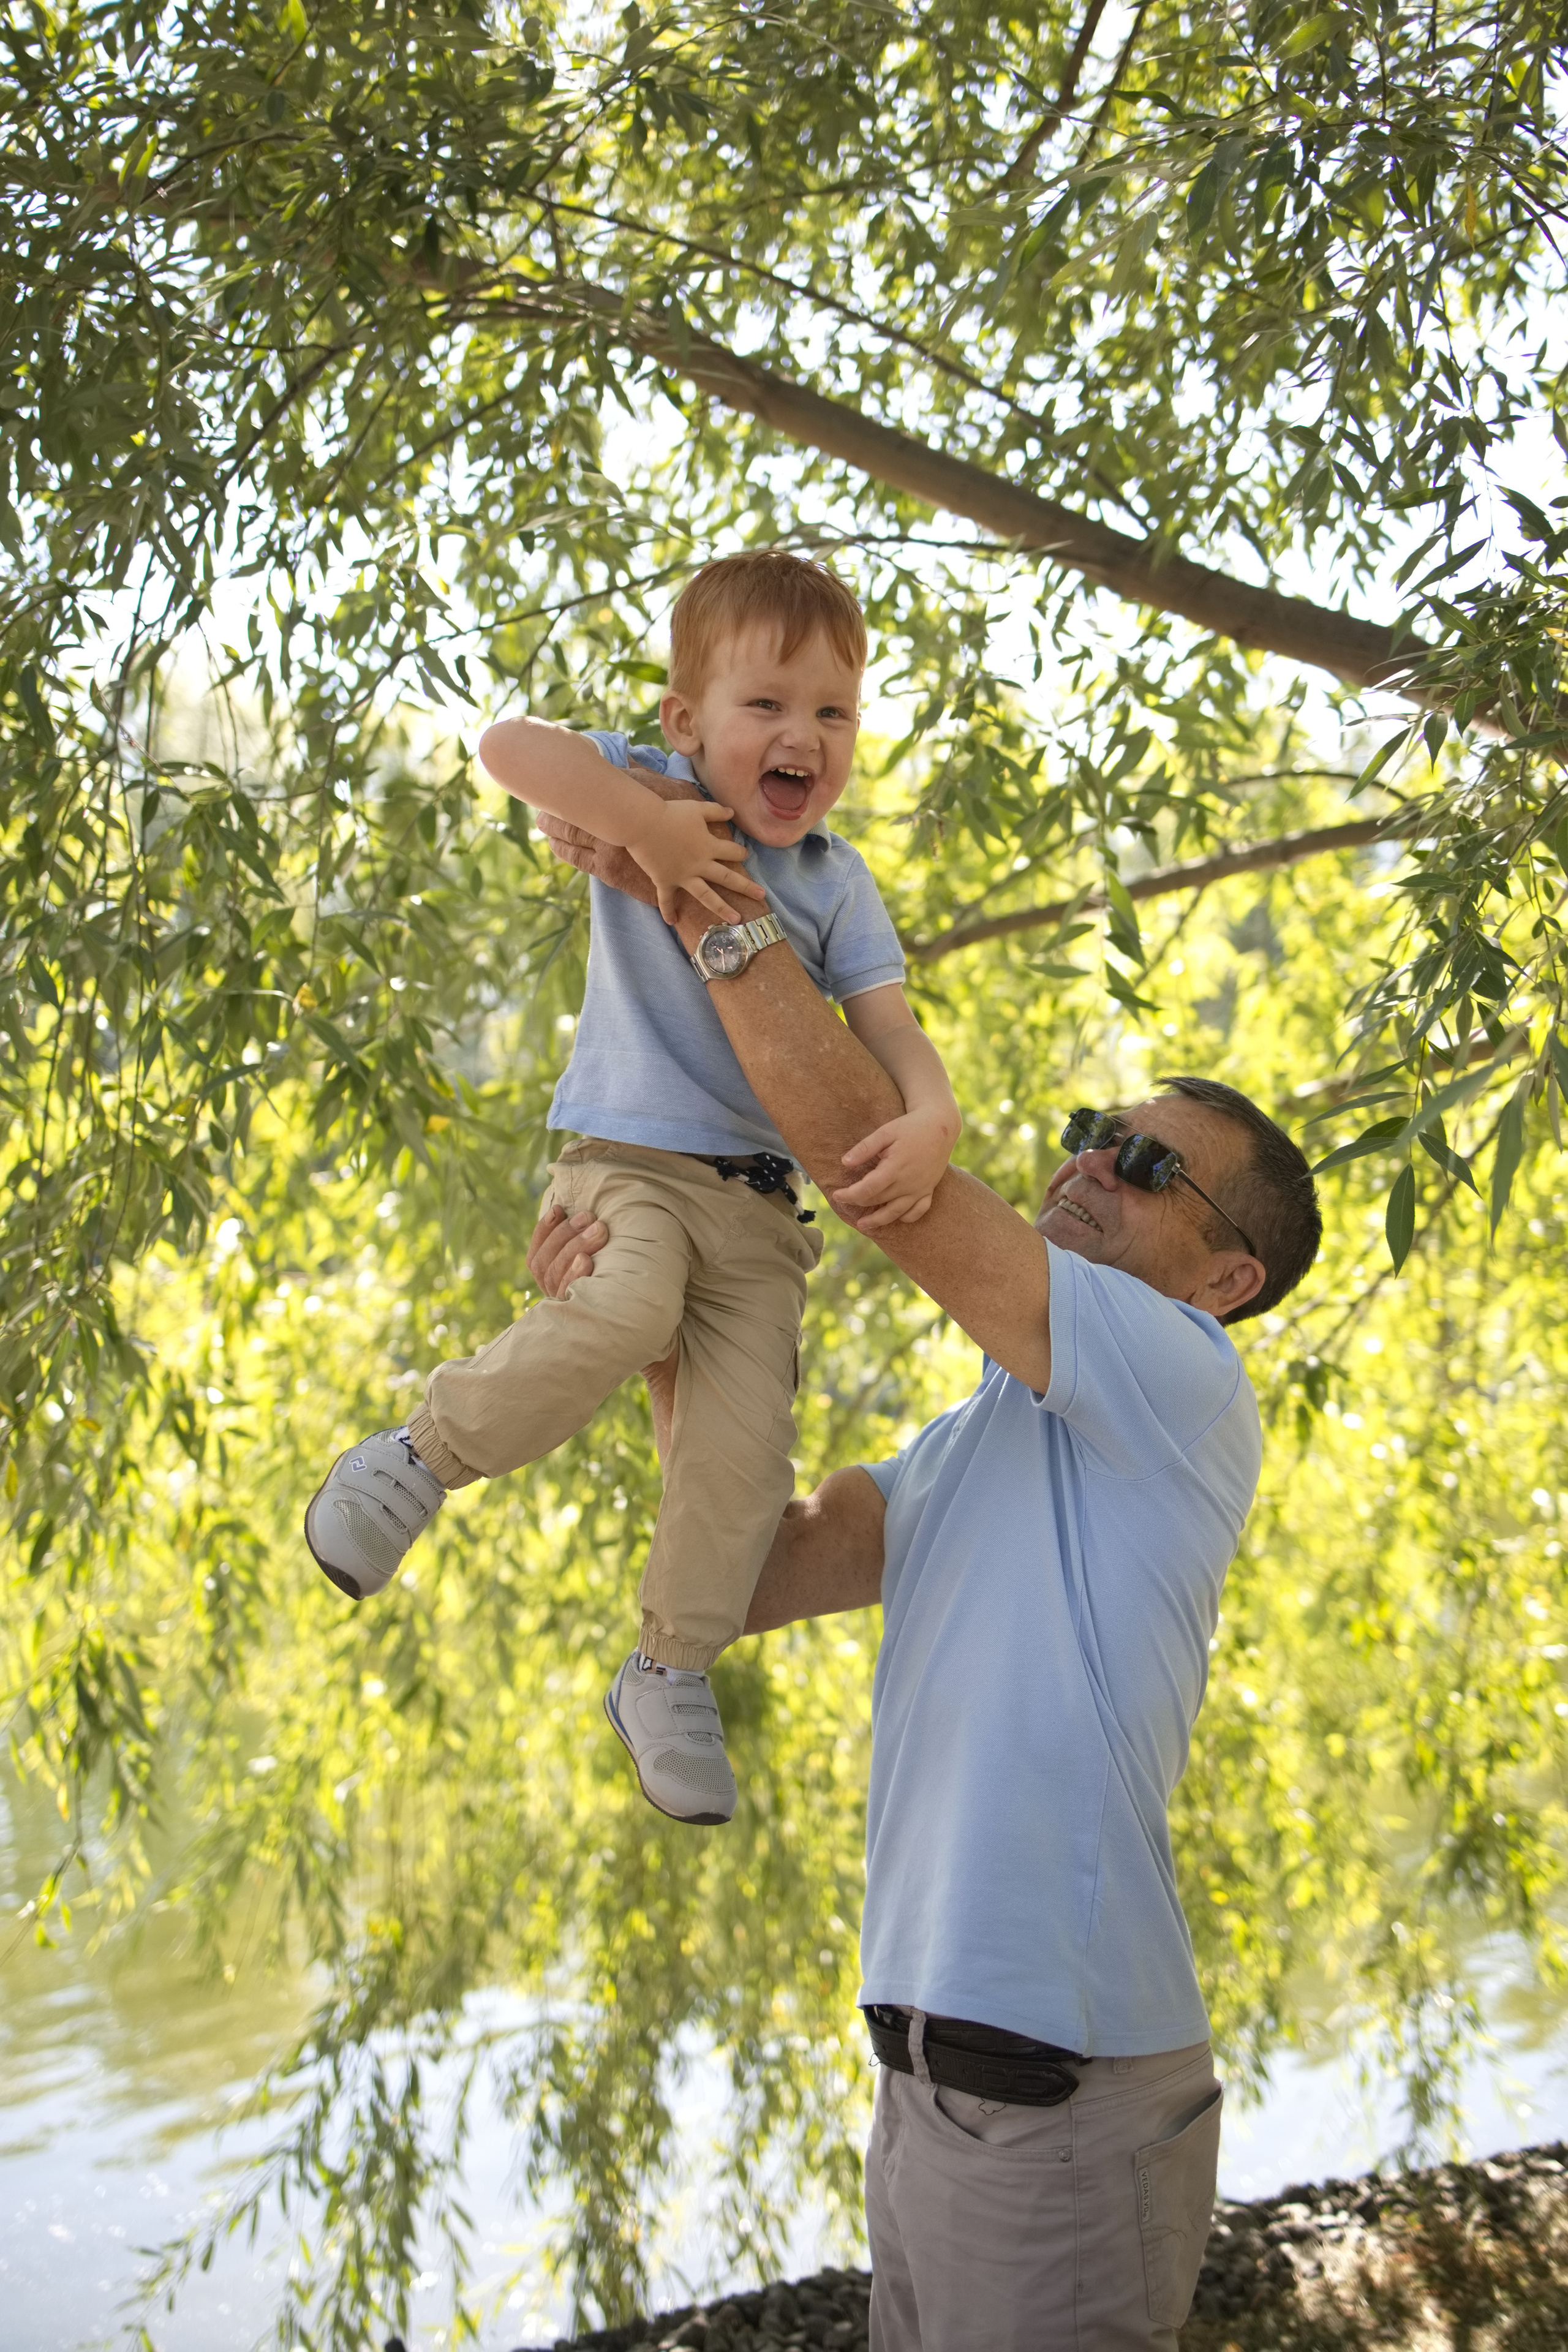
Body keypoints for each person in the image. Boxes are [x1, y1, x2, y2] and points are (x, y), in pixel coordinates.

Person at [529, 782, 1322, 2352]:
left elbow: (869, 1171)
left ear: (1225, 1277)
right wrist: (642, 1303)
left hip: (1062, 2094)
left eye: (1148, 1169)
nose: (1094, 1161)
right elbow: (744, 1570)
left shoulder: (1178, 1377)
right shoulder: (980, 1439)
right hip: (930, 2084)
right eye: (1099, 1133)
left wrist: (708, 892)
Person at [304, 551, 961, 1828]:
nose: (801, 738)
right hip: (631, 1165)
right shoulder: (647, 791)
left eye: (831, 713)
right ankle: (415, 1458)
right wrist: (648, 824)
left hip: (763, 1215)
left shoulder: (832, 880)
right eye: (765, 705)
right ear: (684, 722)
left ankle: (668, 1669)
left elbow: (890, 1029)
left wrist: (931, 1114)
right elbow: (507, 746)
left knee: (741, 1457)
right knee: (620, 1308)